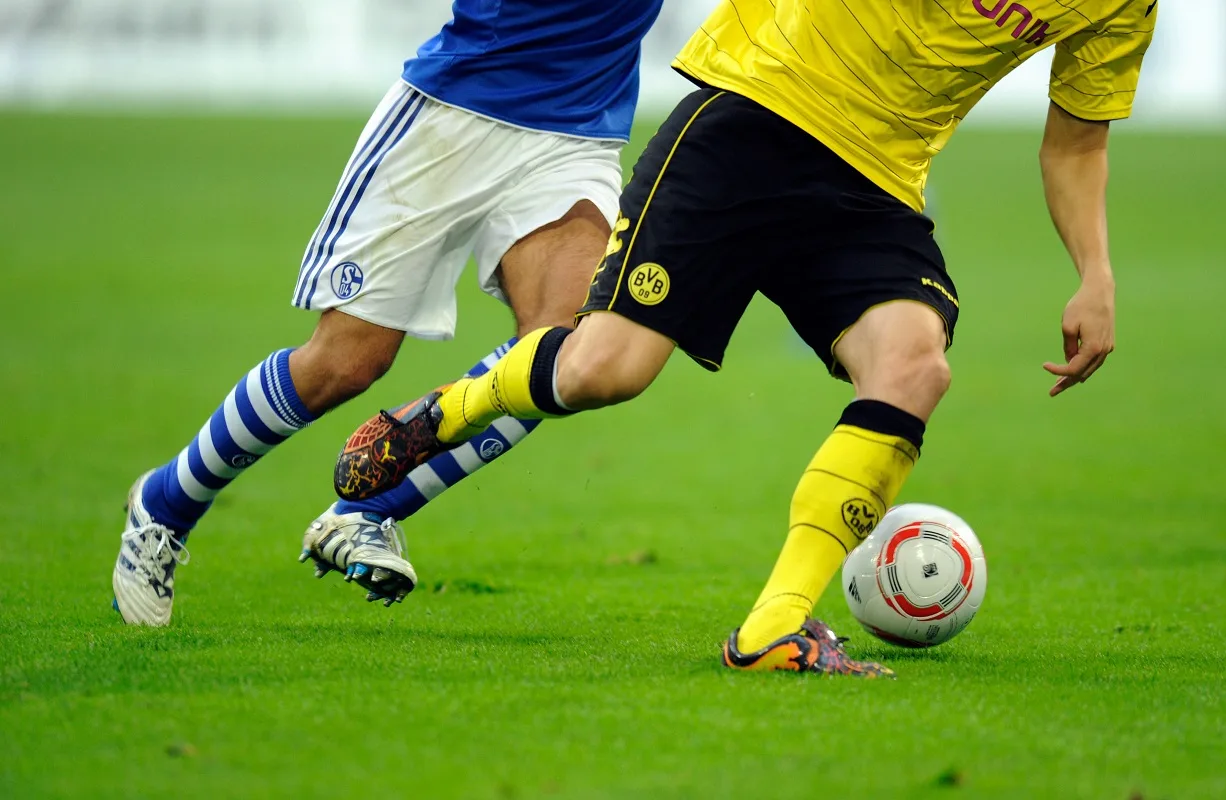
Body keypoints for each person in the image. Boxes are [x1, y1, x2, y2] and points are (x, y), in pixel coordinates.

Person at [346, 0, 1157, 675]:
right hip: (752, 118)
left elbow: (1078, 139)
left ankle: (775, 626)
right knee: (604, 371)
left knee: (914, 364)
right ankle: (448, 411)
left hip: (876, 183)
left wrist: (1097, 273)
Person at [112, 0, 665, 626]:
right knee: (345, 362)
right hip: (453, 115)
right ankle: (164, 506)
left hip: (577, 133)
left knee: (563, 353)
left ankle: (367, 512)